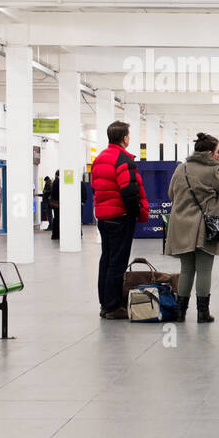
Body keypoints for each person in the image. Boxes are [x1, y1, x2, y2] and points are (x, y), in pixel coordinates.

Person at [166, 132, 219, 323]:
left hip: (181, 225)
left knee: (186, 269)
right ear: (211, 153)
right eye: (217, 152)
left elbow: (171, 194)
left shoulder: (181, 169)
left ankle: (180, 312)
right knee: (204, 269)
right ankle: (203, 314)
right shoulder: (213, 171)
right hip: (205, 226)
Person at [92, 122, 150, 319]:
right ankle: (113, 306)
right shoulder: (123, 159)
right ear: (125, 138)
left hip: (103, 217)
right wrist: (136, 213)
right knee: (117, 263)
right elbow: (128, 190)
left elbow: (95, 187)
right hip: (120, 217)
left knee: (106, 260)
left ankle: (104, 304)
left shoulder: (99, 159)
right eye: (129, 135)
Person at [49, 170, 61, 241]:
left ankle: (55, 234)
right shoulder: (57, 182)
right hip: (57, 204)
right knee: (57, 219)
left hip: (55, 203)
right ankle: (55, 234)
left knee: (56, 218)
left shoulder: (55, 182)